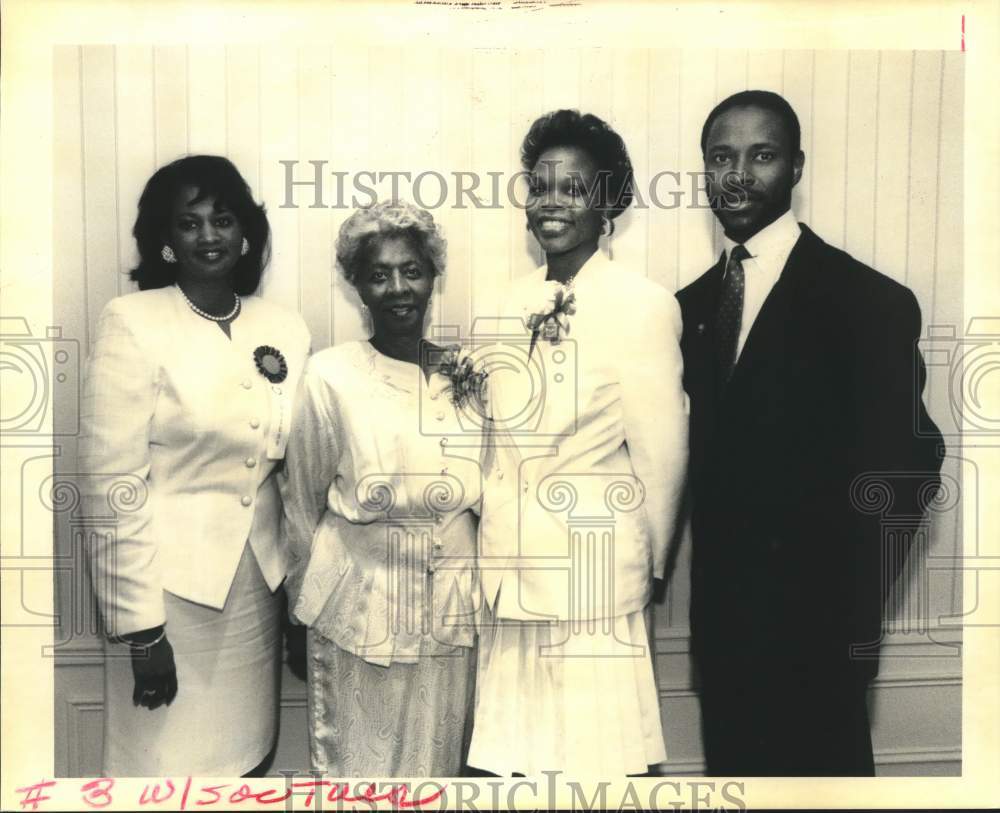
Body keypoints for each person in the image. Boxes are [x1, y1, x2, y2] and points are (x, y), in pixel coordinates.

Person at [677, 90, 944, 776]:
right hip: (724, 645)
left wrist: (848, 613)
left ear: (796, 166)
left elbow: (909, 468)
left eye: (760, 155)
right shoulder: (689, 309)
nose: (737, 174)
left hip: (821, 648)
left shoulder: (867, 301)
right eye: (720, 157)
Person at [467, 109, 689, 776]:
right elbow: (489, 444)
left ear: (608, 203)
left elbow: (662, 452)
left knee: (594, 764)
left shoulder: (642, 304)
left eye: (572, 188)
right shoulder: (501, 303)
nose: (550, 202)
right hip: (509, 572)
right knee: (518, 764)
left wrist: (645, 571)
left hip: (593, 578)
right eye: (539, 186)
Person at [79, 155, 311, 776]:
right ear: (165, 239)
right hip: (169, 599)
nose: (209, 236)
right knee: (164, 769)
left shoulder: (284, 328)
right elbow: (111, 487)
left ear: (245, 234)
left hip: (257, 591)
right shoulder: (133, 321)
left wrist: (295, 601)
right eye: (190, 223)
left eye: (223, 219)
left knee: (245, 760)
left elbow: (291, 475)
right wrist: (141, 628)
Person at [280, 200, 482, 777]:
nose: (398, 288)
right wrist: (298, 610)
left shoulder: (470, 373)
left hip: (452, 611)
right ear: (357, 287)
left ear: (433, 278)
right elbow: (300, 502)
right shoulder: (330, 375)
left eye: (412, 271)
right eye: (378, 274)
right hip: (358, 606)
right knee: (358, 770)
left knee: (437, 769)